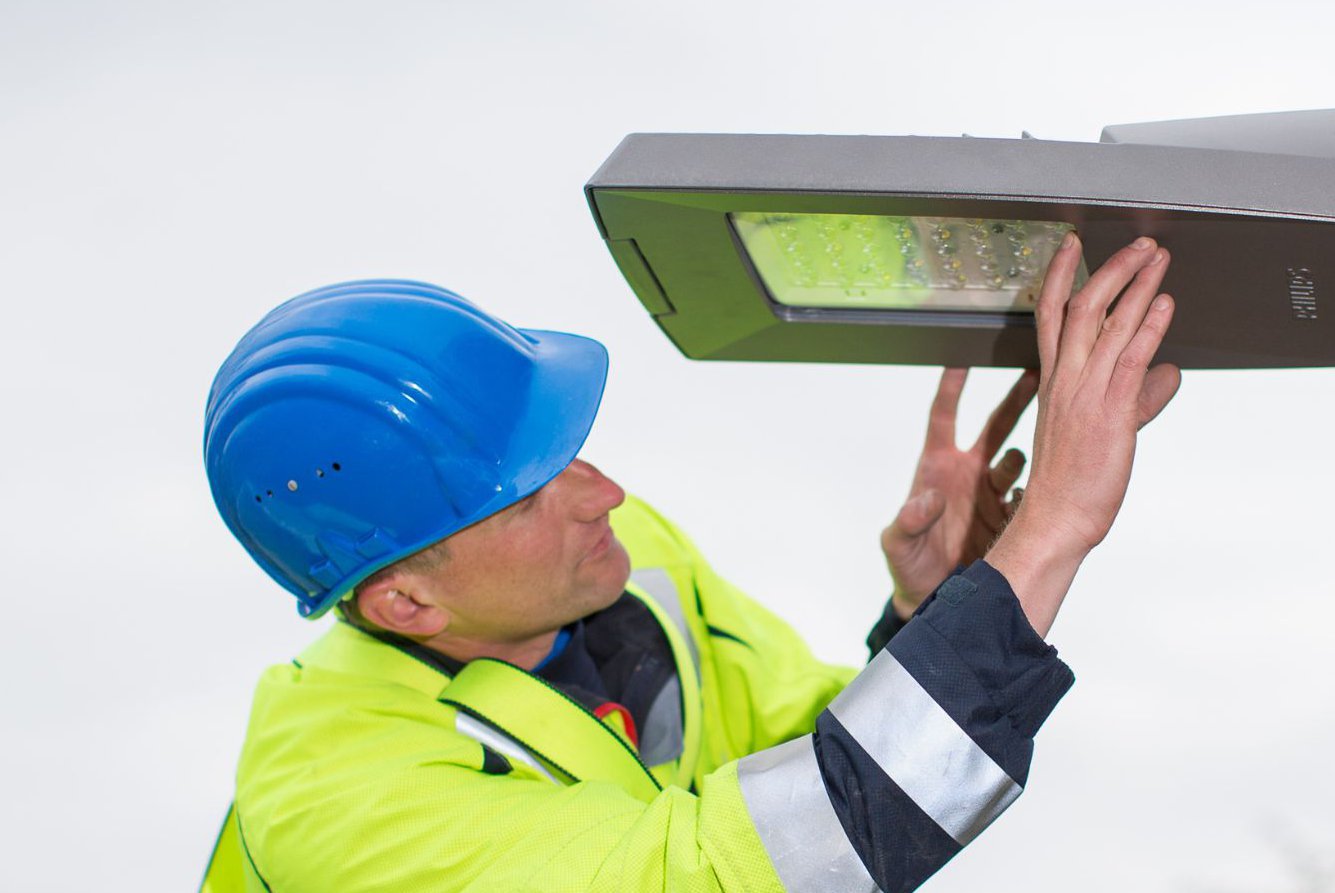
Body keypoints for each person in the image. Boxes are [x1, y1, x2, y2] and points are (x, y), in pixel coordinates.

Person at [200, 232, 1179, 893]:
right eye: (533, 494)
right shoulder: (341, 800)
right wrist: (1051, 529)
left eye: (567, 450)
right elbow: (755, 865)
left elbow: (806, 761)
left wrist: (930, 607)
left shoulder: (621, 564)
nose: (605, 493)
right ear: (405, 601)